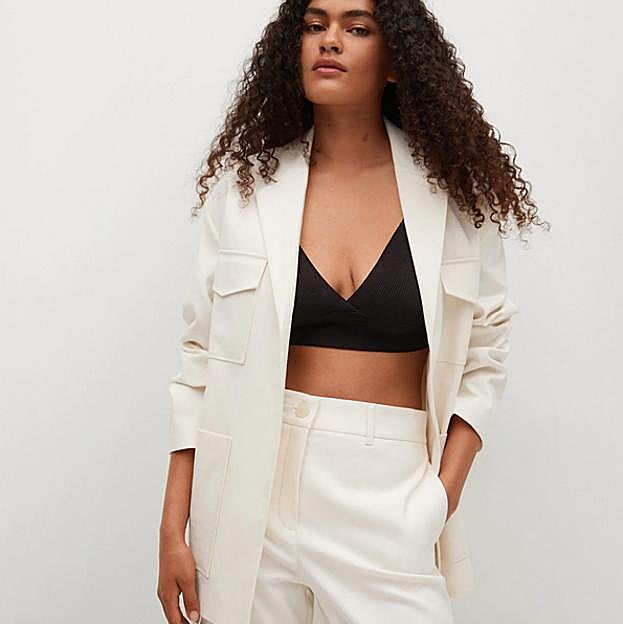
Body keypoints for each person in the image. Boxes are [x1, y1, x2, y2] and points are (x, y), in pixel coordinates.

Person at [157, 1, 547, 623]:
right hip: (249, 487)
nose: (330, 40)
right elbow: (199, 359)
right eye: (315, 26)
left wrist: (437, 499)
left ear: (396, 60)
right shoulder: (247, 190)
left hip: (388, 491)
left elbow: (486, 353)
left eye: (356, 28)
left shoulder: (453, 193)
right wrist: (173, 525)